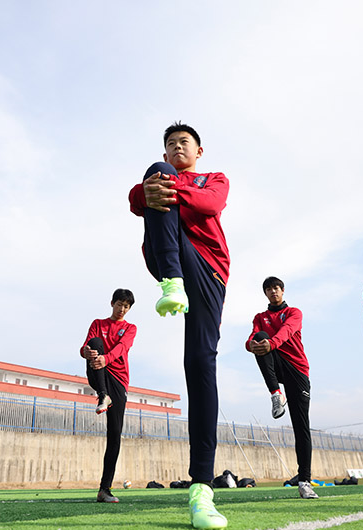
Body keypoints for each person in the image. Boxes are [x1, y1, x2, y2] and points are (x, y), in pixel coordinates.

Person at [128, 122, 230, 530]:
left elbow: (211, 203)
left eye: (183, 142)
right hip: (167, 261)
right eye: (170, 144)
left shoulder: (214, 178)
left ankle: (201, 488)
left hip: (208, 269)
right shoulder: (161, 172)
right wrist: (146, 191)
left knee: (199, 363)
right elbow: (134, 199)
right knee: (156, 175)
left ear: (199, 151)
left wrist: (166, 190)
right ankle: (171, 281)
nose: (176, 148)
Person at [245, 276, 317, 499]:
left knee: (301, 427)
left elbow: (287, 330)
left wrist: (271, 344)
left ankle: (304, 481)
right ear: (265, 293)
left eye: (276, 288)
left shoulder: (294, 312)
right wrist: (251, 345)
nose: (273, 291)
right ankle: (276, 393)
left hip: (296, 369)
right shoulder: (260, 317)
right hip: (274, 363)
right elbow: (252, 338)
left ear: (283, 290)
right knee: (260, 338)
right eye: (269, 289)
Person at [80, 288, 137, 504]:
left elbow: (123, 347)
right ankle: (103, 395)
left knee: (114, 434)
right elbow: (85, 346)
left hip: (118, 379)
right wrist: (85, 352)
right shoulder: (98, 323)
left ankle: (104, 489)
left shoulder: (130, 328)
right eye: (119, 304)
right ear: (112, 303)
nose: (122, 309)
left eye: (126, 306)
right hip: (98, 372)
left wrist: (107, 358)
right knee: (95, 343)